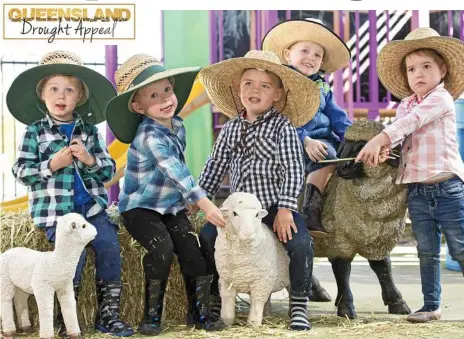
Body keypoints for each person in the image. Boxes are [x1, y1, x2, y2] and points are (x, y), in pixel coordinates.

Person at [10, 50, 134, 337]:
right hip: (56, 213)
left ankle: (108, 315)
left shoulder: (89, 131)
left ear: (80, 96)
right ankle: (67, 320)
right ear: (42, 94)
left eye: (69, 89)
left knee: (109, 248)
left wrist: (90, 160)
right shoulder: (35, 132)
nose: (61, 95)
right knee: (70, 261)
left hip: (91, 211)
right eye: (53, 88)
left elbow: (108, 171)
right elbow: (20, 171)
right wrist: (52, 164)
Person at [197, 50, 321, 330]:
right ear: (237, 90)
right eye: (248, 84)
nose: (255, 90)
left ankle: (299, 303)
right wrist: (200, 197)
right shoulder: (230, 129)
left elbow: (293, 169)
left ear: (277, 94)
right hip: (240, 212)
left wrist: (287, 209)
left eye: (264, 86)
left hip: (275, 206)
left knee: (301, 243)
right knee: (206, 237)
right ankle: (217, 296)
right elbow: (215, 165)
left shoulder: (283, 128)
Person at [105, 54, 226, 335]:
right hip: (141, 208)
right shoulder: (148, 136)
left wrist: (186, 202)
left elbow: (179, 170)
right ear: (137, 106)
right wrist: (205, 203)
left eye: (167, 90)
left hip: (170, 206)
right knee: (162, 248)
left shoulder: (177, 125)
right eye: (154, 95)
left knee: (192, 252)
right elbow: (174, 170)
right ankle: (151, 316)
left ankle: (200, 312)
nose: (165, 99)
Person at [355, 27, 464, 323]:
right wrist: (383, 151)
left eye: (426, 66)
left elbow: (411, 123)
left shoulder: (441, 99)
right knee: (426, 251)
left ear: (442, 71)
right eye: (411, 69)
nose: (418, 73)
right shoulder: (405, 104)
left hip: (447, 188)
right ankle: (431, 305)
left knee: (460, 248)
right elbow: (400, 140)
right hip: (416, 191)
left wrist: (380, 139)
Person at [262, 19, 352, 238]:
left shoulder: (322, 86)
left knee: (349, 154)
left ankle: (345, 211)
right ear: (287, 54)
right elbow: (276, 120)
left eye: (317, 55)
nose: (311, 57)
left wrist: (352, 136)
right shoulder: (281, 86)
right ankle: (310, 210)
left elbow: (336, 115)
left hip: (324, 139)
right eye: (304, 50)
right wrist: (304, 140)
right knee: (327, 155)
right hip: (291, 142)